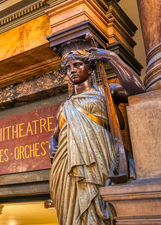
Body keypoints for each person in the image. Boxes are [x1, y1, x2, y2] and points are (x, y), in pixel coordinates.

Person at [49, 41, 145, 225]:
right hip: (67, 169)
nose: (72, 70)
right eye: (68, 67)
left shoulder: (107, 92)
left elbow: (138, 91)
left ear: (90, 67)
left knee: (103, 208)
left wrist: (111, 57)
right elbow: (54, 137)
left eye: (77, 64)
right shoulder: (64, 107)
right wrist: (52, 149)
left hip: (100, 160)